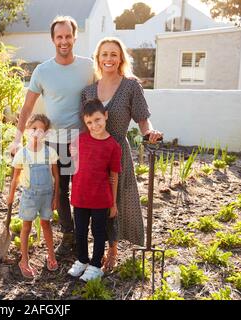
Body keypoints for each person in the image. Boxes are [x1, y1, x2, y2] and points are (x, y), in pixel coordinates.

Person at [9, 16, 95, 255]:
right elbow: (26, 108)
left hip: (82, 140)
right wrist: (17, 139)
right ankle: (69, 235)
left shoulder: (89, 67)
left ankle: (85, 235)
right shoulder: (42, 71)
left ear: (75, 38)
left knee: (84, 190)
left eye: (68, 36)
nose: (64, 41)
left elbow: (105, 91)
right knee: (60, 191)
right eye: (59, 37)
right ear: (53, 39)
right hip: (54, 143)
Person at [80, 37, 163, 271]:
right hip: (94, 156)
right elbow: (83, 125)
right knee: (96, 203)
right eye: (104, 54)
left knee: (116, 201)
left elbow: (143, 120)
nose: (109, 58)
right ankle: (93, 249)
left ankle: (113, 249)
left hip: (117, 152)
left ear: (120, 58)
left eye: (113, 54)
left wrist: (150, 132)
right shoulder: (87, 91)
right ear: (98, 58)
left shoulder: (130, 86)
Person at [67, 99, 122, 281]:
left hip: (100, 198)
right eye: (89, 122)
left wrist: (113, 203)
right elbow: (75, 166)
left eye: (97, 119)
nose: (94, 125)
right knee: (80, 231)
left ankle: (96, 265)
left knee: (98, 232)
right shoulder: (79, 140)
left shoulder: (113, 146)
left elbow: (114, 176)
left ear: (105, 116)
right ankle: (82, 260)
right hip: (80, 196)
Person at [7, 114, 60, 279]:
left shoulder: (49, 152)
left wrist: (56, 197)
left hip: (46, 195)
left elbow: (56, 177)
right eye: (34, 129)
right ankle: (24, 260)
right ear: (27, 130)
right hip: (29, 196)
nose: (37, 133)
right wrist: (10, 196)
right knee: (26, 227)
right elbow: (15, 177)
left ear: (46, 134)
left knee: (46, 225)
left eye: (42, 130)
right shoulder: (22, 154)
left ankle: (51, 255)